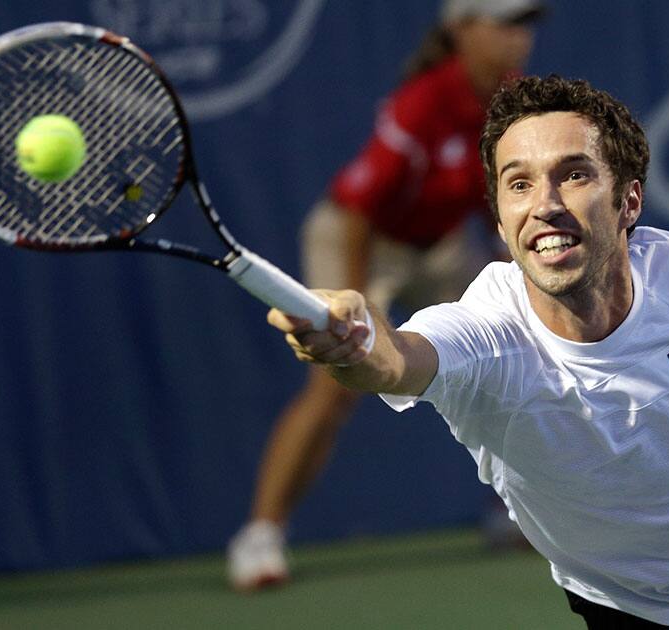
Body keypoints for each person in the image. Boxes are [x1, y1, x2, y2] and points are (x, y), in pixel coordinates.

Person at [267, 75, 669, 627]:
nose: (544, 205)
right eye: (518, 184)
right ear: (500, 214)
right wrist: (354, 337)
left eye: (573, 174)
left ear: (629, 201)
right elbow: (397, 359)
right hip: (622, 604)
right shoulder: (489, 336)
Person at [227, 0, 546, 591]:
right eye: (503, 22)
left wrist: (518, 273)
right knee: (334, 385)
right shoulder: (423, 101)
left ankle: (513, 510)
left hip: (441, 243)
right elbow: (359, 209)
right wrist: (353, 304)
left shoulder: (511, 97)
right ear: (461, 31)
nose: (517, 37)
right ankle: (261, 536)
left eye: (525, 23)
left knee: (517, 352)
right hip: (361, 238)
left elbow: (500, 191)